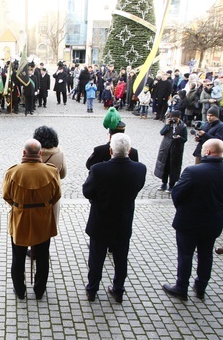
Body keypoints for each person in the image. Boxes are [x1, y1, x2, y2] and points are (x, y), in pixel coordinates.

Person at [162, 139, 223, 301]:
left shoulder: (193, 171)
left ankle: (181, 288)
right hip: (214, 222)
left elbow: (177, 194)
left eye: (203, 148)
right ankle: (201, 286)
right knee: (206, 255)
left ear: (208, 152)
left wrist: (183, 208)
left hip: (189, 221)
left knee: (185, 255)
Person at [83, 133, 146, 302]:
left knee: (96, 258)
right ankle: (118, 289)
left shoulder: (98, 170)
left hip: (100, 221)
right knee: (120, 258)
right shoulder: (140, 168)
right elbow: (138, 187)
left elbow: (87, 191)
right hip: (123, 221)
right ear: (130, 150)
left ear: (110, 150)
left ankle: (92, 289)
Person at [2, 138, 61, 300]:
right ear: (40, 153)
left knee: (18, 257)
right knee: (42, 256)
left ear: (23, 153)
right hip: (43, 218)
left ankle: (20, 291)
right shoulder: (51, 171)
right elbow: (57, 195)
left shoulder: (13, 172)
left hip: (20, 218)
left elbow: (6, 196)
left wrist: (18, 206)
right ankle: (39, 290)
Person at [33, 126, 67, 227]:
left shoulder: (31, 152)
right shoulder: (59, 155)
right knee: (47, 229)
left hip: (33, 195)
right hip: (51, 197)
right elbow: (63, 175)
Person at [154, 110, 188, 192]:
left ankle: (172, 185)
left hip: (176, 150)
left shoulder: (183, 127)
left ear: (179, 117)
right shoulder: (169, 124)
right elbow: (162, 133)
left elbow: (185, 139)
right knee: (164, 166)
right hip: (166, 148)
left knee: (174, 168)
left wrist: (179, 138)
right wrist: (167, 125)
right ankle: (164, 183)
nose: (173, 119)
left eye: (175, 118)